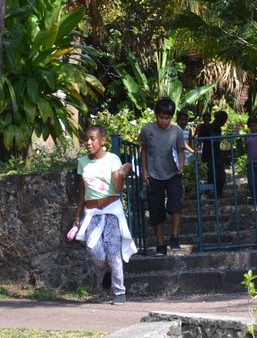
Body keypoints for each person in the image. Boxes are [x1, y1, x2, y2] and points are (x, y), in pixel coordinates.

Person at [67, 125, 136, 305]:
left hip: (111, 210)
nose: (88, 142)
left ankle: (119, 292)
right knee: (93, 250)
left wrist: (120, 174)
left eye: (92, 138)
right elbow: (82, 190)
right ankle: (109, 270)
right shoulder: (82, 162)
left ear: (102, 140)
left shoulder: (113, 159)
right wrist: (77, 216)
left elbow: (118, 188)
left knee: (113, 251)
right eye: (86, 139)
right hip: (92, 212)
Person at [139, 96, 185, 256]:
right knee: (156, 211)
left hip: (173, 174)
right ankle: (160, 244)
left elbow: (180, 150)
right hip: (154, 175)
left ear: (171, 117)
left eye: (167, 118)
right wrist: (144, 170)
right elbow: (143, 150)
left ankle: (174, 237)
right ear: (156, 115)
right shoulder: (147, 130)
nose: (164, 121)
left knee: (176, 206)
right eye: (161, 117)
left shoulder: (177, 131)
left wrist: (181, 165)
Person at [196, 109, 227, 198]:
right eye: (223, 121)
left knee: (221, 176)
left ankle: (218, 193)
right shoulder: (206, 127)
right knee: (211, 175)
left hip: (217, 155)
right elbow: (200, 140)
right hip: (208, 155)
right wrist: (198, 153)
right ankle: (208, 192)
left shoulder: (219, 130)